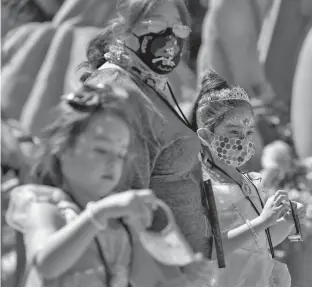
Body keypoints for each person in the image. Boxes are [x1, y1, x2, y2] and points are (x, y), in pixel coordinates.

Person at [12, 0, 212, 286]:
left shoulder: (151, 81)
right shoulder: (118, 90)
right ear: (122, 30)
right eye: (155, 24)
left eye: (178, 28)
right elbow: (122, 205)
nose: (170, 37)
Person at [6, 84, 158, 286]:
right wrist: (98, 214)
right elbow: (47, 264)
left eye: (121, 154)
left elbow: (146, 278)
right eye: (102, 150)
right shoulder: (46, 207)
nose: (113, 162)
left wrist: (186, 274)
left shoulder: (121, 220)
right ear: (63, 149)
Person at [190, 70, 307, 286]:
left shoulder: (251, 182)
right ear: (206, 136)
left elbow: (262, 239)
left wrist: (287, 221)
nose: (243, 140)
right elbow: (210, 249)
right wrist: (262, 220)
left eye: (249, 132)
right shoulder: (204, 186)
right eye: (234, 131)